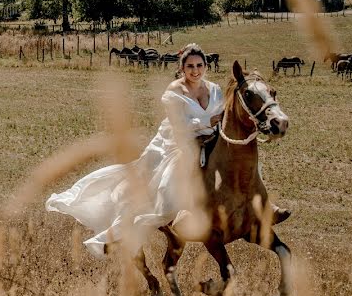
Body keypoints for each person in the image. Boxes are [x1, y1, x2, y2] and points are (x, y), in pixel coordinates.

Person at [45, 44, 224, 257]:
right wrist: (208, 121)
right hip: (176, 143)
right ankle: (121, 230)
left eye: (199, 65)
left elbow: (223, 117)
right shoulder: (173, 91)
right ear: (182, 68)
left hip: (213, 140)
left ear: (206, 66)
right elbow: (180, 125)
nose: (195, 71)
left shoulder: (214, 89)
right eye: (190, 66)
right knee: (158, 192)